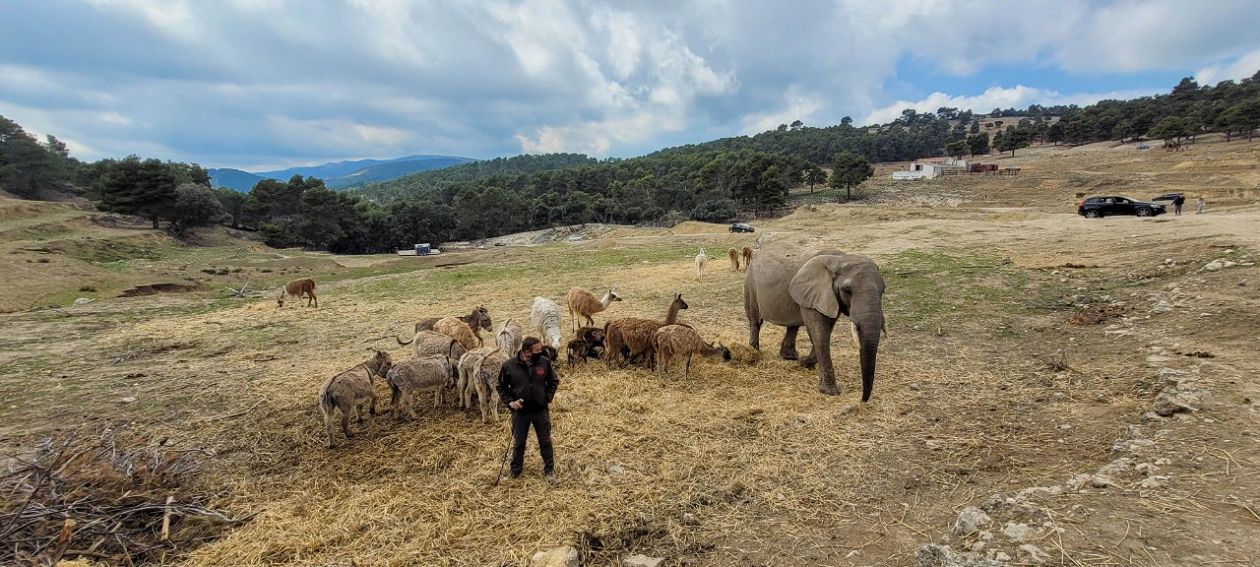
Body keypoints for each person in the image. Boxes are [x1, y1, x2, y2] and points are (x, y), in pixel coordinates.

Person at [497, 336, 559, 482]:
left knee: (545, 441)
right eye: (537, 350)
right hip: (520, 412)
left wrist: (547, 398)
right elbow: (501, 387)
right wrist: (511, 402)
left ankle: (549, 470)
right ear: (526, 351)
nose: (541, 351)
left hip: (540, 410)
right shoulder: (509, 365)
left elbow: (554, 381)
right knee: (519, 443)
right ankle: (515, 471)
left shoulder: (544, 362)